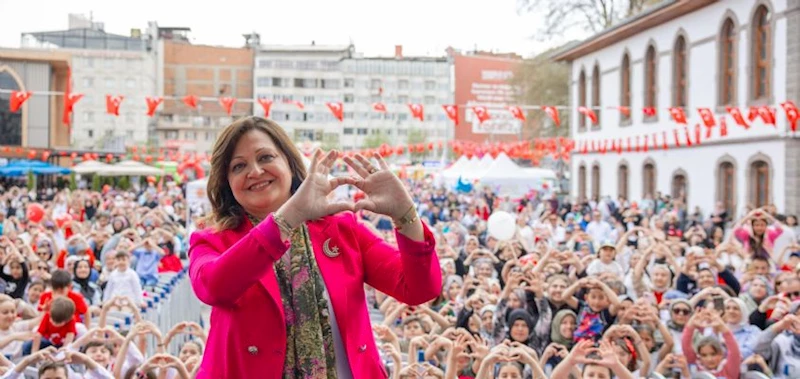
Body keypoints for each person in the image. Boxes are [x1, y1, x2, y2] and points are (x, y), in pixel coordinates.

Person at [188, 117, 441, 378]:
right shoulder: (211, 240)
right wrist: (286, 219)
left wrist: (406, 215)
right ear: (226, 182)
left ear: (289, 162)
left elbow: (420, 289)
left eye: (265, 157)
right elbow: (214, 286)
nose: (254, 171)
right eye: (238, 166)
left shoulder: (341, 229)